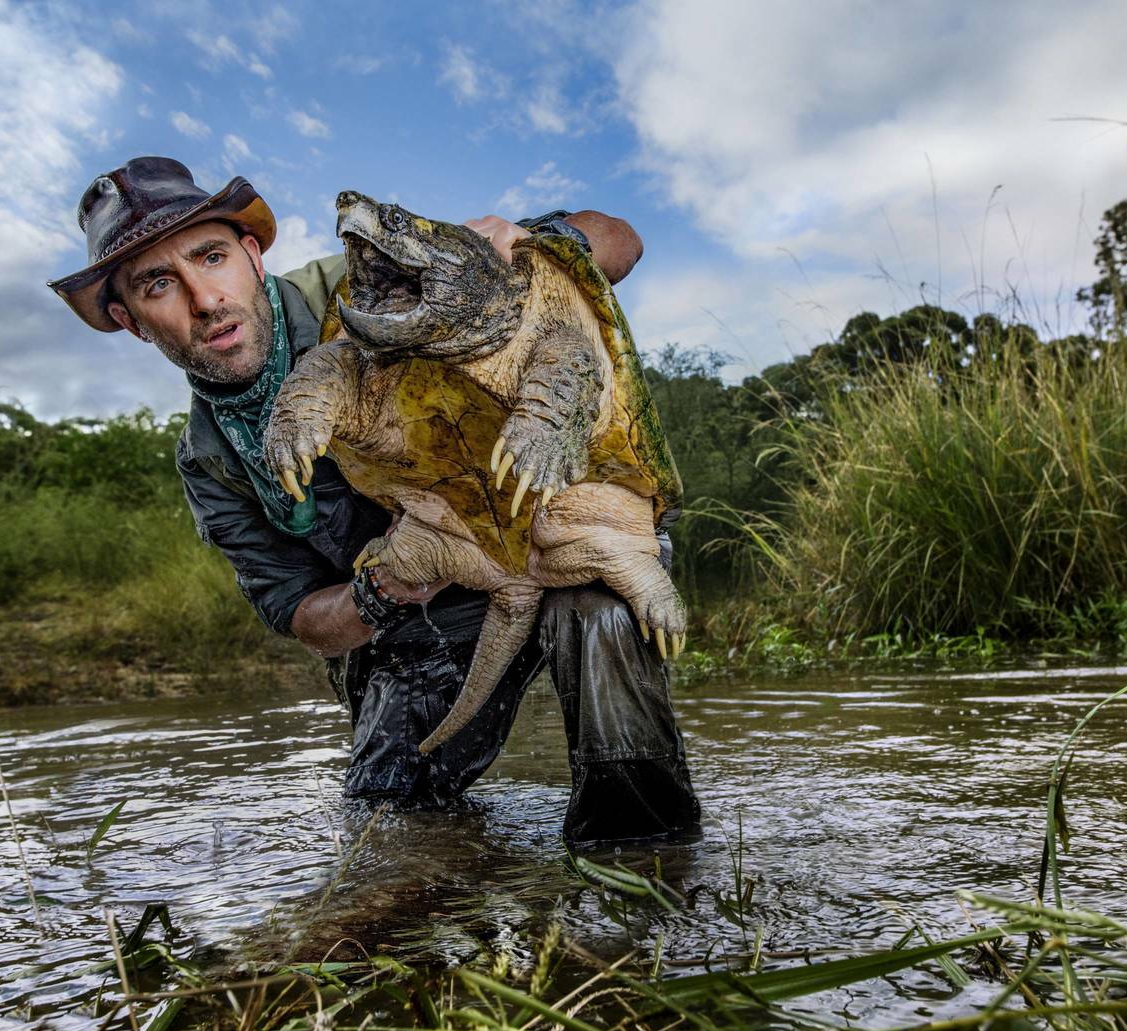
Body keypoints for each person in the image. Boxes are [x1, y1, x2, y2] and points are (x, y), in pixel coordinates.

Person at [48, 157, 699, 846]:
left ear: (251, 257)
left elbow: (620, 241)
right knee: (388, 825)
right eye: (158, 284)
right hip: (419, 611)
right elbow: (301, 616)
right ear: (130, 320)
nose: (203, 300)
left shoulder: (368, 283)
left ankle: (643, 863)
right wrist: (389, 583)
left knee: (600, 613)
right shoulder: (212, 465)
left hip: (559, 531)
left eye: (210, 258)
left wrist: (529, 242)